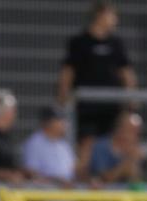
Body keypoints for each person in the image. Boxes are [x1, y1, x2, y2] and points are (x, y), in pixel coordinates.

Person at [57, 1, 137, 180]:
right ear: (100, 15)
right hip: (87, 110)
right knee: (86, 149)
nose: (115, 20)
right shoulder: (79, 42)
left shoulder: (116, 44)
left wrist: (132, 99)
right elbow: (68, 72)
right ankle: (82, 187)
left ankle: (110, 187)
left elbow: (126, 73)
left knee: (115, 149)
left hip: (111, 109)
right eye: (112, 15)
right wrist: (63, 96)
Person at [22, 106, 76, 186]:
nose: (64, 124)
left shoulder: (64, 145)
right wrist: (57, 180)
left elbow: (73, 170)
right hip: (44, 192)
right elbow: (30, 172)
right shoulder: (34, 143)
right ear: (49, 123)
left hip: (67, 192)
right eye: (60, 120)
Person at [86, 111, 143, 186]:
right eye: (131, 130)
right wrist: (125, 165)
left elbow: (137, 184)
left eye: (137, 132)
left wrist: (134, 164)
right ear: (120, 129)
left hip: (124, 196)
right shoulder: (102, 147)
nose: (134, 135)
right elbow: (104, 179)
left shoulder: (134, 150)